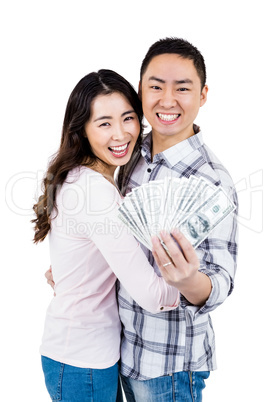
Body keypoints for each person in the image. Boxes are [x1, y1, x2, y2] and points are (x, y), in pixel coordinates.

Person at [33, 68, 201, 401]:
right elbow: (152, 295)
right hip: (84, 360)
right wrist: (193, 283)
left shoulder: (86, 176)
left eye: (128, 118)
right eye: (104, 123)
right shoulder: (96, 191)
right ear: (82, 129)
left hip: (79, 353)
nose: (121, 134)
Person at [116, 38, 238, 401]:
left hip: (168, 367)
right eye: (155, 86)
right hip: (119, 350)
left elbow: (221, 282)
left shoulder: (212, 181)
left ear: (202, 95)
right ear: (140, 91)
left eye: (182, 88)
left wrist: (189, 280)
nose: (167, 100)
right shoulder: (126, 154)